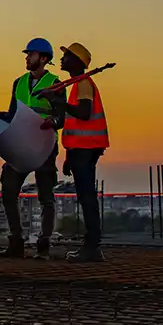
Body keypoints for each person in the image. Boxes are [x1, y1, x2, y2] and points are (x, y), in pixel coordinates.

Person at [0, 38, 62, 260]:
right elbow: (13, 114)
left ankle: (43, 246)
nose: (27, 58)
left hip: (44, 147)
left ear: (44, 59)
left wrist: (53, 121)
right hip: (20, 145)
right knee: (8, 190)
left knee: (46, 196)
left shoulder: (55, 83)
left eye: (31, 54)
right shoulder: (18, 83)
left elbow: (62, 116)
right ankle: (16, 243)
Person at [40, 42, 110, 263]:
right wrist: (70, 156)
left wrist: (58, 102)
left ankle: (92, 247)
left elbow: (84, 113)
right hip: (82, 149)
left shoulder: (84, 85)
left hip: (86, 149)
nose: (62, 59)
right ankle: (91, 246)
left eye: (67, 56)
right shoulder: (78, 85)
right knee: (85, 196)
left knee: (87, 198)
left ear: (77, 61)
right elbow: (74, 124)